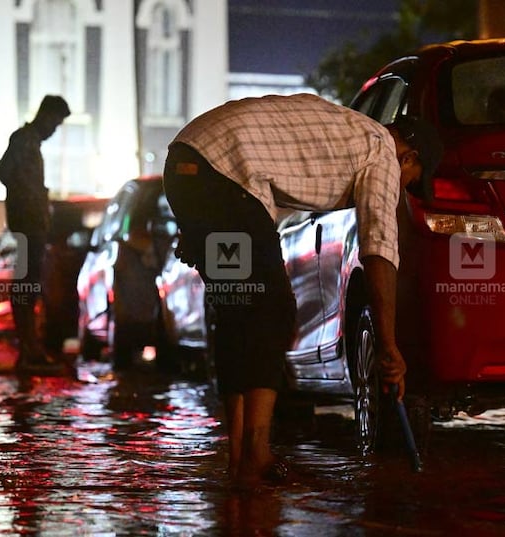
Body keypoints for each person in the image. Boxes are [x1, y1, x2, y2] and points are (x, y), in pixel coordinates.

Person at [162, 93, 442, 487]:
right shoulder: (380, 151)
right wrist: (389, 344)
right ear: (408, 158)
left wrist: (198, 223)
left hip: (186, 167)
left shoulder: (347, 132)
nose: (404, 189)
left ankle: (239, 457)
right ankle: (257, 455)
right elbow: (378, 246)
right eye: (412, 182)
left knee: (239, 311)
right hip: (223, 177)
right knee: (270, 312)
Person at [0, 94, 71, 376]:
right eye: (56, 122)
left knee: (28, 286)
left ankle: (30, 349)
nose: (55, 130)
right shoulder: (24, 139)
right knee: (26, 287)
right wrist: (28, 196)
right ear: (46, 115)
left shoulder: (30, 142)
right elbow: (3, 171)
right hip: (28, 224)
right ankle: (29, 350)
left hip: (32, 223)